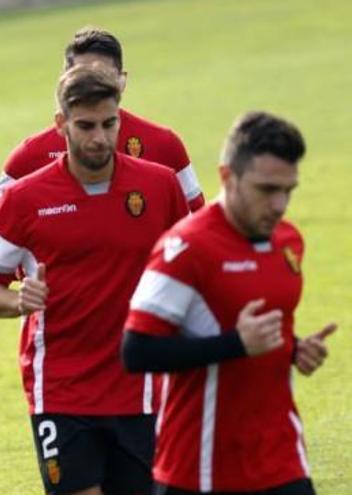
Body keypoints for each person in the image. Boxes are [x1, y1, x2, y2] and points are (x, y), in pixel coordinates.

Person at [0, 64, 189, 495]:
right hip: (61, 390)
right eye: (85, 126)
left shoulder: (159, 187)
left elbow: (190, 269)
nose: (99, 138)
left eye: (109, 124)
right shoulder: (24, 198)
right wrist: (18, 302)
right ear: (60, 124)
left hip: (141, 387)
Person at [122, 111, 333, 495]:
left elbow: (257, 327)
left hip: (281, 456)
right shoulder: (184, 249)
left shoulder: (288, 242)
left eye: (288, 190)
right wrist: (235, 345)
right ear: (226, 177)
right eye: (266, 189)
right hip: (199, 468)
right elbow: (136, 350)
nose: (280, 204)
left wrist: (294, 349)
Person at [0, 27, 204, 235]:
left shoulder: (163, 144)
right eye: (81, 75)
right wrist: (31, 269)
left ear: (122, 81)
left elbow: (197, 224)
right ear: (64, 81)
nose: (92, 85)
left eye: (102, 76)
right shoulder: (32, 153)